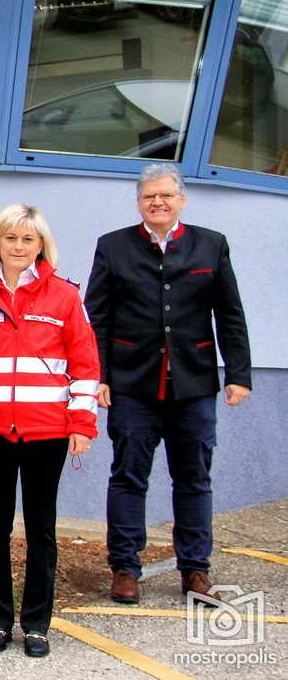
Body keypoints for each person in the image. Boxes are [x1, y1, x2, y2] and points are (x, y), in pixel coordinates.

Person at [85, 163, 251, 604]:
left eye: (165, 195)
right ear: (139, 202)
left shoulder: (211, 245)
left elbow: (229, 314)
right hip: (132, 385)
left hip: (193, 385)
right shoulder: (113, 246)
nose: (157, 202)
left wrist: (238, 374)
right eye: (148, 196)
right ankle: (125, 567)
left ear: (181, 199)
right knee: (128, 477)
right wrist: (97, 377)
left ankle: (194, 568)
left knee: (194, 478)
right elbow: (95, 318)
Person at [0, 204, 99, 658]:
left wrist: (82, 423)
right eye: (10, 238)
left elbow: (86, 365)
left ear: (41, 246)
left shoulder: (65, 296)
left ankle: (36, 625)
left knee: (41, 528)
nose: (18, 247)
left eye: (28, 240)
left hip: (47, 431)